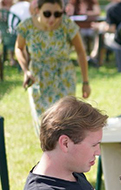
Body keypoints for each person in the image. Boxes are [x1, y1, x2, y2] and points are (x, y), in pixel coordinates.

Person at [14, 0, 91, 134]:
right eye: (47, 13)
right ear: (38, 10)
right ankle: (49, 154)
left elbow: (80, 51)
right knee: (43, 122)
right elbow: (19, 48)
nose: (52, 18)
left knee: (65, 121)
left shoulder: (67, 25)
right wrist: (26, 71)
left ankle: (65, 153)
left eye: (57, 14)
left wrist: (85, 82)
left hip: (63, 77)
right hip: (38, 78)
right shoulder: (27, 26)